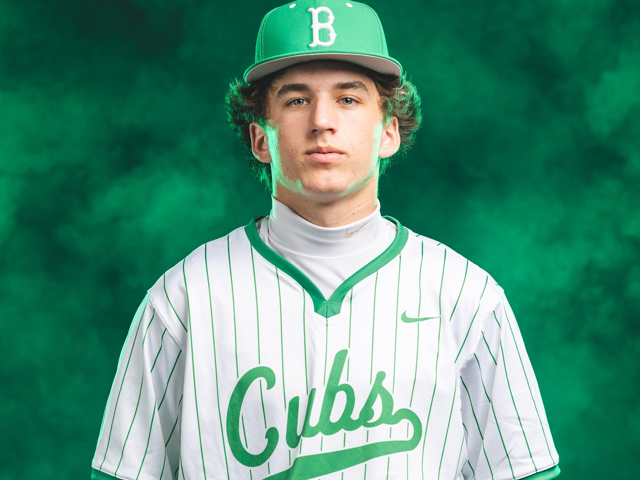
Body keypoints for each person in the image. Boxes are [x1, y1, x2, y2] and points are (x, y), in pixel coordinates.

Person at [91, 1, 561, 479]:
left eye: (348, 99)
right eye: (296, 100)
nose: (322, 120)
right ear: (260, 139)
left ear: (389, 133)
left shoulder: (465, 294)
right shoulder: (184, 296)